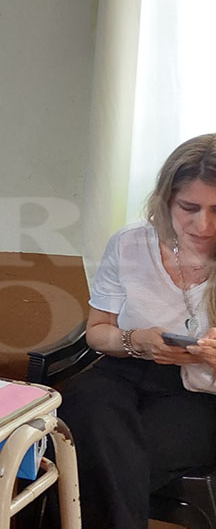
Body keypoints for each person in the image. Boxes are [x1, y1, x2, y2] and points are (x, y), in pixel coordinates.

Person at [59, 133, 216, 527]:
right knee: (83, 406)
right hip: (124, 369)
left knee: (95, 457)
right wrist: (136, 341)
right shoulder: (131, 244)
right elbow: (98, 331)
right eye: (189, 208)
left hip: (200, 392)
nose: (203, 225)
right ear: (166, 200)